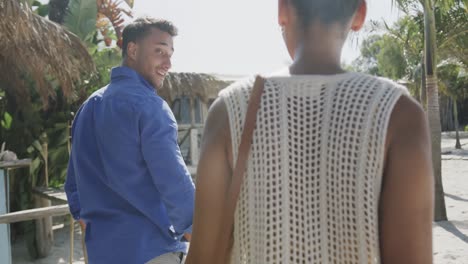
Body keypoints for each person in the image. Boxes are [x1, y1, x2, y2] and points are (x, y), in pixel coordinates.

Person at [186, 0, 434, 263]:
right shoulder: (398, 113)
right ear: (360, 14)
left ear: (282, 10)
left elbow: (203, 255)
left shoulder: (230, 109)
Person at [65, 17, 195, 264]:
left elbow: (73, 184)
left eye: (170, 54)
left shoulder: (88, 107)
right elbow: (174, 182)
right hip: (152, 251)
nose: (168, 63)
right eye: (159, 51)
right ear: (132, 50)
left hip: (102, 254)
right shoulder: (151, 107)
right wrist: (199, 233)